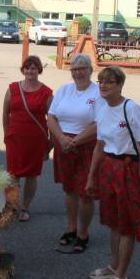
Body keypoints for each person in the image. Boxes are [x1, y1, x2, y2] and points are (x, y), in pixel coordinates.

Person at [85, 66, 140, 279]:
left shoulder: (131, 108)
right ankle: (113, 266)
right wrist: (91, 175)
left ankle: (121, 278)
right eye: (101, 81)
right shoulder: (101, 108)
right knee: (114, 222)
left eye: (110, 82)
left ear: (120, 85)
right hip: (108, 169)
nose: (103, 85)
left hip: (129, 169)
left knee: (127, 226)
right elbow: (100, 144)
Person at [47, 54, 99, 252]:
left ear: (90, 70)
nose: (78, 72)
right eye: (74, 69)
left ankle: (83, 233)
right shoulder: (64, 90)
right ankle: (70, 228)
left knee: (86, 191)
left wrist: (75, 141)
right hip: (63, 143)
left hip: (86, 145)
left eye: (82, 68)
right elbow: (51, 117)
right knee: (69, 189)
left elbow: (99, 122)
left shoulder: (97, 92)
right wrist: (61, 139)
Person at [2, 55, 53, 222]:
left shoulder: (46, 93)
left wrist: (50, 144)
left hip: (35, 140)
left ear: (39, 70)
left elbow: (52, 119)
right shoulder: (13, 88)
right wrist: (6, 133)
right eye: (27, 67)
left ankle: (25, 207)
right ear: (23, 69)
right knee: (13, 174)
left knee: (31, 175)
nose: (30, 71)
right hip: (15, 138)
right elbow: (5, 113)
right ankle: (12, 205)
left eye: (34, 68)